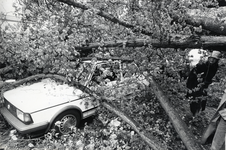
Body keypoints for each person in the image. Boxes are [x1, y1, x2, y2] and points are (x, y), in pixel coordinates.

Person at [186, 50, 221, 116]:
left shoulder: (214, 67)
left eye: (214, 59)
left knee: (202, 99)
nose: (212, 60)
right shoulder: (203, 64)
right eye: (211, 58)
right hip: (194, 83)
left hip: (204, 85)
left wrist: (206, 83)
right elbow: (193, 75)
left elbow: (209, 76)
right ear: (209, 58)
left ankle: (199, 113)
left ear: (217, 60)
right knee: (194, 98)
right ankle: (193, 113)